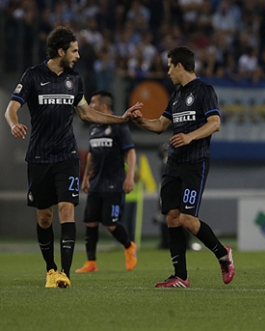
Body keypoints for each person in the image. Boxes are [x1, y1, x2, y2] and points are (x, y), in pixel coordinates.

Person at [4, 26, 142, 288]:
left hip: (67, 157)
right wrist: (13, 124)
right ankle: (51, 270)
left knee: (67, 210)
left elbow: (87, 114)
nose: (78, 55)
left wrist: (121, 118)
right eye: (74, 50)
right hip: (39, 158)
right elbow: (11, 109)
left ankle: (64, 273)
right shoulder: (33, 76)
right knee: (44, 217)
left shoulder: (75, 80)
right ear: (60, 51)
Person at [126, 46, 235, 288]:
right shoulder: (175, 95)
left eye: (169, 67)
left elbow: (215, 123)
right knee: (172, 218)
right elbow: (160, 125)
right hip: (174, 164)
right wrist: (140, 121)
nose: (167, 72)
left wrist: (189, 137)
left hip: (195, 162)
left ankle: (222, 254)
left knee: (187, 219)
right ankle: (180, 276)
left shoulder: (204, 90)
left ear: (179, 66)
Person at [75, 90, 138, 274]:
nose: (90, 106)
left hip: (114, 182)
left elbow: (130, 151)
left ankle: (129, 246)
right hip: (96, 182)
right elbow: (92, 156)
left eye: (92, 103)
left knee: (110, 223)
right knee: (91, 222)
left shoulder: (119, 126)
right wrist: (86, 178)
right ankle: (91, 262)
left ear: (103, 106)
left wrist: (130, 175)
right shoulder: (94, 127)